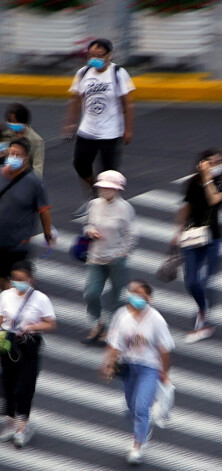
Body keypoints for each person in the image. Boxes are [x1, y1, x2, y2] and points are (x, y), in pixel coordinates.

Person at [102, 280, 174, 465]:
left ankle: (137, 445)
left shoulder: (156, 320)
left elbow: (164, 350)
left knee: (142, 407)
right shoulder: (122, 315)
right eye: (132, 292)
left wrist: (164, 372)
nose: (136, 297)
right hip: (128, 367)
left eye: (140, 294)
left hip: (149, 368)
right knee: (131, 407)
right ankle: (142, 429)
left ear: (149, 298)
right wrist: (109, 363)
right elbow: (114, 342)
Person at [63, 38, 135, 218]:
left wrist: (128, 129)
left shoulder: (119, 73)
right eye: (91, 55)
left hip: (110, 133)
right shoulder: (84, 72)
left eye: (99, 55)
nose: (94, 58)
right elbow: (75, 99)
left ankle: (109, 208)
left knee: (109, 173)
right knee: (80, 165)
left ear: (109, 56)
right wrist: (71, 122)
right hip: (87, 131)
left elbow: (128, 104)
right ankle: (94, 196)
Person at [171, 149, 222, 343]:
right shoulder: (191, 183)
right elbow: (185, 207)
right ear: (202, 163)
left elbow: (213, 200)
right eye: (211, 162)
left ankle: (203, 317)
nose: (216, 165)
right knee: (191, 281)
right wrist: (177, 232)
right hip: (191, 236)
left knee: (205, 281)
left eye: (219, 161)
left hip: (213, 238)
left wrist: (206, 178)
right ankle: (203, 307)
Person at [0, 261, 56, 448]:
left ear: (31, 279)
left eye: (22, 280)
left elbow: (50, 323)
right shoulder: (6, 295)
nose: (18, 283)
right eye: (14, 279)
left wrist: (31, 327)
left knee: (24, 388)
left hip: (29, 346)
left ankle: (22, 428)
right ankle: (9, 424)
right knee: (7, 386)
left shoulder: (40, 299)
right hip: (8, 345)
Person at [82, 170, 138, 344]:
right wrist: (90, 231)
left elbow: (132, 234)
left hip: (116, 260)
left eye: (109, 188)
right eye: (102, 188)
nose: (105, 191)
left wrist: (123, 251)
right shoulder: (94, 204)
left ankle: (111, 330)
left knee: (115, 296)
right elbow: (88, 224)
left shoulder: (125, 208)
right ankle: (98, 323)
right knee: (91, 294)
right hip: (96, 257)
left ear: (117, 190)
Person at [0, 138, 53, 292]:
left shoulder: (34, 182)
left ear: (26, 158)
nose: (13, 157)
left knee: (14, 278)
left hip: (18, 243)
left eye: (18, 155)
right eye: (11, 153)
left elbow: (44, 211)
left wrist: (47, 234)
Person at [1, 104, 45, 178]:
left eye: (14, 121)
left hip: (24, 176)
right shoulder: (5, 135)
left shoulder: (36, 140)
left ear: (22, 121)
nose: (11, 123)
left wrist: (33, 182)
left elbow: (38, 167)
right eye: (9, 121)